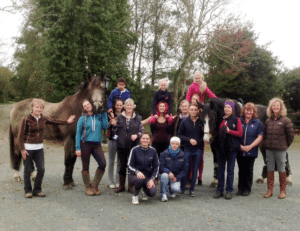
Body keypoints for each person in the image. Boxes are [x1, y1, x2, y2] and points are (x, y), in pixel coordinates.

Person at [18, 98, 75, 198]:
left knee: (41, 169)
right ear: (32, 108)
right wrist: (22, 149)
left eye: (40, 108)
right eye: (37, 107)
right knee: (27, 170)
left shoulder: (43, 119)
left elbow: (55, 121)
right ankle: (28, 191)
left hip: (39, 148)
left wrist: (67, 121)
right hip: (28, 148)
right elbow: (20, 136)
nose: (39, 110)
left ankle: (37, 189)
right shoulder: (26, 119)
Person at [75, 99, 109, 196]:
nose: (87, 106)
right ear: (84, 108)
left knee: (103, 163)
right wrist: (78, 148)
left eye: (88, 104)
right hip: (85, 144)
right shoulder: (82, 119)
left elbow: (105, 126)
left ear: (91, 104)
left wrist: (104, 113)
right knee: (85, 166)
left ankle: (94, 184)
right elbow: (78, 134)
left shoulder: (99, 116)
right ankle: (87, 187)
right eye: (85, 106)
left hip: (96, 144)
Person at [264, 97, 294, 199]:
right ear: (271, 108)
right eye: (274, 106)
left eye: (277, 106)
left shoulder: (286, 120)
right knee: (270, 168)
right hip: (269, 149)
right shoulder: (268, 120)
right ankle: (270, 190)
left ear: (281, 107)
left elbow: (290, 136)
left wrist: (284, 146)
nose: (275, 107)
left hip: (281, 150)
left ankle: (282, 191)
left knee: (281, 169)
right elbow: (265, 134)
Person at [113, 98, 144, 193]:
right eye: (127, 105)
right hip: (121, 145)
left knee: (132, 166)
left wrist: (137, 135)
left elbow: (141, 131)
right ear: (124, 107)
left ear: (133, 107)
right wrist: (116, 135)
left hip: (133, 146)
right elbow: (115, 132)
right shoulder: (119, 117)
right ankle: (121, 186)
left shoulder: (138, 118)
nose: (129, 107)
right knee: (122, 166)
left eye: (131, 105)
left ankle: (131, 186)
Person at [214, 100, 243, 200]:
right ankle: (220, 190)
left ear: (232, 109)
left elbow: (240, 133)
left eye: (229, 107)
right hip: (221, 148)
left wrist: (229, 131)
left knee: (230, 170)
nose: (227, 109)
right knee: (220, 170)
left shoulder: (236, 120)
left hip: (232, 149)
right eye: (225, 107)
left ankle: (229, 190)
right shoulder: (220, 120)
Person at [237, 103, 264, 196]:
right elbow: (235, 135)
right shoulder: (239, 121)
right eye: (247, 110)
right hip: (240, 150)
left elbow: (260, 137)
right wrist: (239, 145)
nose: (248, 112)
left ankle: (247, 188)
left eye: (250, 110)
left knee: (249, 169)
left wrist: (250, 146)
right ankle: (240, 188)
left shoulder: (258, 123)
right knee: (241, 170)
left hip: (251, 151)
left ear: (253, 112)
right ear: (244, 111)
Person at [178, 104, 204, 197]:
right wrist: (189, 140)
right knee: (185, 168)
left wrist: (198, 141)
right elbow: (180, 135)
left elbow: (204, 136)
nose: (193, 111)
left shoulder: (201, 122)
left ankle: (192, 189)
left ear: (198, 111)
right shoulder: (184, 122)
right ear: (189, 110)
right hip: (188, 148)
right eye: (191, 109)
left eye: (195, 110)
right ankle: (182, 188)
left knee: (195, 169)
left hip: (198, 149)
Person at [128, 132, 159, 205]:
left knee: (152, 193)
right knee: (140, 179)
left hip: (148, 176)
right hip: (134, 176)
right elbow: (129, 165)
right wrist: (137, 172)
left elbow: (156, 166)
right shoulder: (134, 150)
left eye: (147, 139)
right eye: (143, 138)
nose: (145, 140)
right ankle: (135, 196)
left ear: (150, 140)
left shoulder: (153, 151)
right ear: (140, 140)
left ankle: (144, 190)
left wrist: (152, 179)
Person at [159, 137, 188, 202]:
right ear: (170, 144)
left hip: (176, 176)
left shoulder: (183, 155)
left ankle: (172, 191)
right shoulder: (164, 153)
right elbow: (161, 166)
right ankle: (164, 194)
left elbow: (185, 170)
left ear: (179, 145)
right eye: (173, 143)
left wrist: (177, 178)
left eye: (176, 144)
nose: (174, 145)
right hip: (166, 174)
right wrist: (168, 172)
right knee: (164, 176)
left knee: (176, 188)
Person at [106, 99, 123, 189]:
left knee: (119, 162)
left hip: (121, 141)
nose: (119, 107)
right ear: (114, 105)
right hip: (112, 140)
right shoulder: (109, 114)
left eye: (120, 105)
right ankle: (110, 181)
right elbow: (106, 126)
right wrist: (111, 121)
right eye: (117, 105)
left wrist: (116, 122)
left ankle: (118, 181)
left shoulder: (124, 115)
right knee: (111, 161)